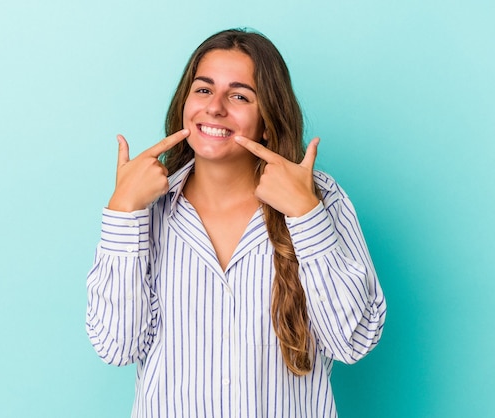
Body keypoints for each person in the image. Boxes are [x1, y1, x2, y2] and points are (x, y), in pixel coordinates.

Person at [86, 28, 386, 418]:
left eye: (240, 95)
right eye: (204, 90)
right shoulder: (145, 209)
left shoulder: (321, 199)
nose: (215, 107)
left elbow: (353, 341)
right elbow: (115, 346)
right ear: (185, 103)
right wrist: (123, 212)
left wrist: (305, 215)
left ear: (267, 119)